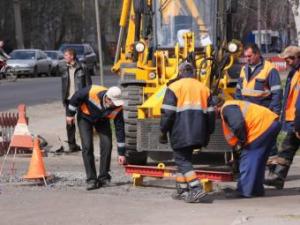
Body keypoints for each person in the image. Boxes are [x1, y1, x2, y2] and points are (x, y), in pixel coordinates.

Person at [160, 62, 215, 203]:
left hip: (180, 131)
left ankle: (196, 189)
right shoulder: (204, 89)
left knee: (181, 160)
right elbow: (211, 114)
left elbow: (168, 113)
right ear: (193, 73)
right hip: (199, 132)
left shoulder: (174, 87)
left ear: (180, 72)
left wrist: (163, 131)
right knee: (185, 160)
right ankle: (182, 191)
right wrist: (209, 132)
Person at [66, 85, 126, 190]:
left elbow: (120, 129)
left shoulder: (118, 107)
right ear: (107, 99)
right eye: (113, 102)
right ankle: (91, 180)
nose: (115, 106)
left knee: (107, 144)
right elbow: (75, 97)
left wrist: (121, 153)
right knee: (87, 146)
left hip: (102, 121)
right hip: (85, 117)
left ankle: (103, 177)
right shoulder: (92, 91)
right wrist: (70, 114)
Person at [219, 99, 281, 197]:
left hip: (261, 126)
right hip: (270, 123)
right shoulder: (232, 105)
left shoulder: (227, 107)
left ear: (216, 107)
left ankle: (243, 191)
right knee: (258, 161)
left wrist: (243, 141)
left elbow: (238, 124)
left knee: (248, 158)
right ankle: (256, 190)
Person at [235, 43, 282, 158]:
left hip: (264, 114)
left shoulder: (269, 69)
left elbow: (277, 93)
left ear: (257, 54)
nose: (247, 58)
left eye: (249, 56)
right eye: (245, 56)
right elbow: (238, 91)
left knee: (269, 142)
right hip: (248, 115)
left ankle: (272, 168)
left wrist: (275, 113)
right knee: (250, 141)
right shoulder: (243, 69)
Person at [265, 46, 300, 189]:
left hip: (298, 119)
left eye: (288, 59)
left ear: (297, 58)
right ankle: (278, 177)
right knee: (287, 148)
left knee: (287, 147)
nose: (286, 63)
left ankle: (278, 177)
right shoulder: (293, 73)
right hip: (293, 119)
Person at [61, 48, 92, 153]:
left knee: (82, 123)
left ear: (72, 56)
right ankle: (72, 145)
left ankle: (86, 145)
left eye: (66, 55)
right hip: (69, 100)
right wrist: (64, 99)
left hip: (81, 100)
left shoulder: (83, 67)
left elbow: (89, 85)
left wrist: (87, 99)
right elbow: (64, 85)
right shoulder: (64, 68)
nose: (64, 57)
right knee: (69, 123)